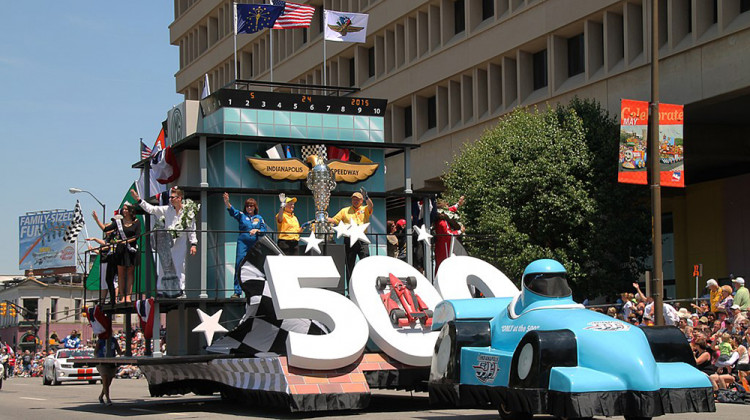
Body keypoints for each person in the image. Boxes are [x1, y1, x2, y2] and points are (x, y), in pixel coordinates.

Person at [131, 187, 197, 297]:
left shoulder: (188, 212)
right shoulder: (167, 210)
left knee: (179, 265)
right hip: (167, 241)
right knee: (164, 266)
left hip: (180, 242)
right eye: (170, 197)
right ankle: (161, 291)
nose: (170, 199)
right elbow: (151, 209)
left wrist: (193, 244)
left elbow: (191, 228)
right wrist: (139, 200)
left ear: (179, 198)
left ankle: (180, 290)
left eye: (173, 197)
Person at [93, 203, 141, 302]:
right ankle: (122, 296)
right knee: (121, 273)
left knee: (130, 272)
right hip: (120, 250)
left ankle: (128, 296)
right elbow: (106, 229)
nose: (124, 211)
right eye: (123, 209)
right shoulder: (119, 222)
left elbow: (137, 236)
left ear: (131, 211)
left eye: (126, 209)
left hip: (131, 249)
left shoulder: (136, 222)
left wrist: (126, 241)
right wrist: (96, 219)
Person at [223, 192, 266, 298]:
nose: (249, 207)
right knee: (239, 264)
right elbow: (233, 211)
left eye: (251, 205)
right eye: (247, 205)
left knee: (255, 266)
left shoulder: (259, 218)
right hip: (243, 242)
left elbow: (264, 230)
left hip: (255, 243)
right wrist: (227, 202)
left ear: (255, 207)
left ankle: (253, 291)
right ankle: (237, 291)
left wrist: (257, 230)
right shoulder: (242, 215)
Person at [328, 189, 374, 282]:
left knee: (365, 262)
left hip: (362, 239)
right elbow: (335, 220)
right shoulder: (344, 211)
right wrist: (324, 217)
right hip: (349, 239)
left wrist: (367, 197)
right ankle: (349, 289)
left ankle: (366, 284)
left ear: (361, 201)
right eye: (354, 199)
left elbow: (371, 206)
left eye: (358, 199)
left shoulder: (364, 209)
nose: (355, 201)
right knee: (349, 264)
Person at [433, 197, 465, 271]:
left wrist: (458, 204)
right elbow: (448, 234)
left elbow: (450, 210)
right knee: (443, 265)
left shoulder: (444, 217)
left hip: (444, 245)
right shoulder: (442, 223)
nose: (448, 206)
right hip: (444, 246)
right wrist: (460, 231)